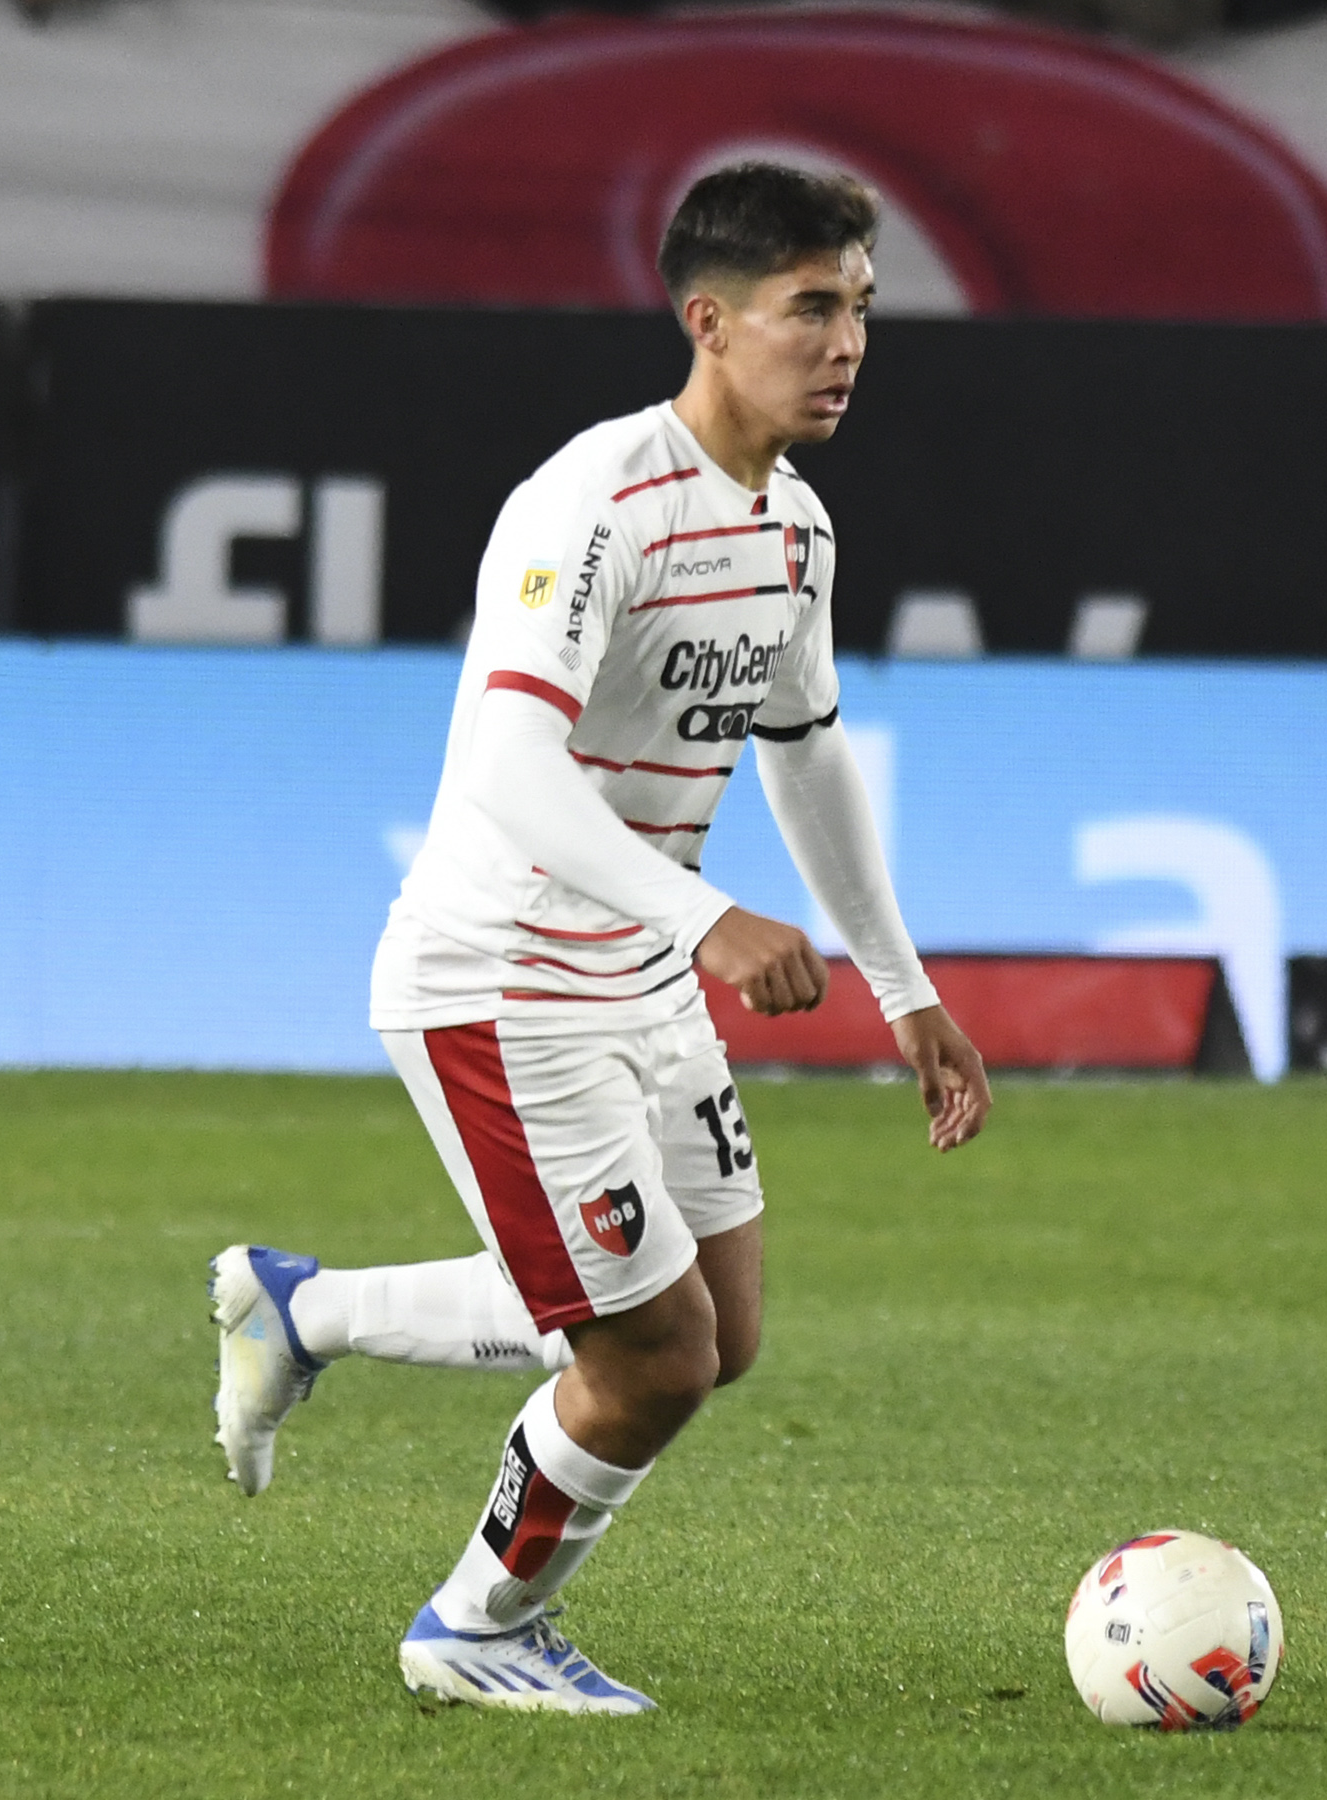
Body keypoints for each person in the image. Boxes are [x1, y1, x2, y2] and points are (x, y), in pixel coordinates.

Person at [207, 162, 991, 1715]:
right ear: (709, 321)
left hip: (638, 977)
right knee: (653, 1358)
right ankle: (475, 1629)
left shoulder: (795, 528)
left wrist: (904, 989)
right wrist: (708, 917)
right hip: (501, 980)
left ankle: (305, 1309)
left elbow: (806, 751)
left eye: (860, 308)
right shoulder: (594, 501)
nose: (846, 343)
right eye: (810, 309)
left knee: (721, 1329)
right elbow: (509, 764)